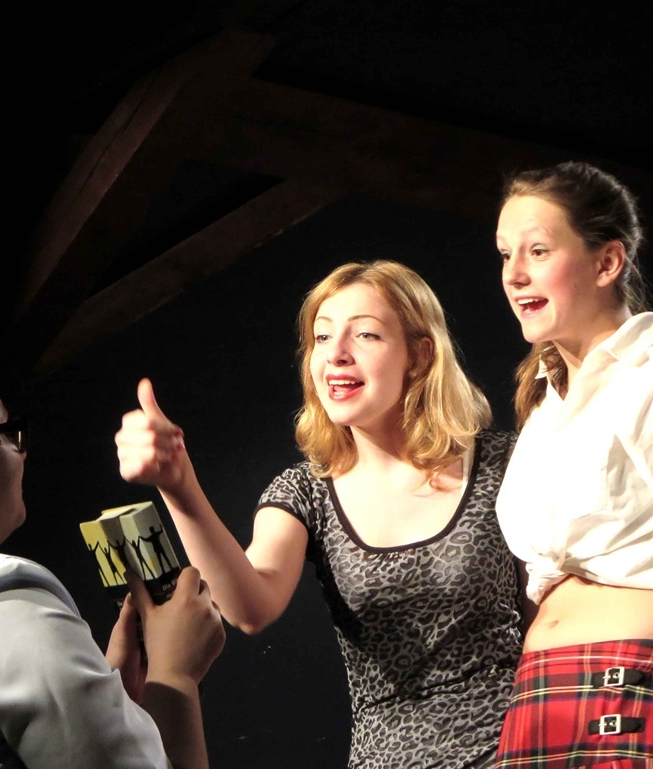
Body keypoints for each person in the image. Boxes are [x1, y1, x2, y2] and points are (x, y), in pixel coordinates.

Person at [116, 259, 524, 768]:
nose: (336, 354)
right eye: (322, 337)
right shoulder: (305, 492)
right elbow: (249, 606)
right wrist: (179, 486)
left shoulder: (505, 463)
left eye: (366, 335)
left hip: (517, 750)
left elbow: (551, 616)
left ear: (419, 356)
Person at [493, 160, 653, 766]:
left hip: (634, 684)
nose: (514, 273)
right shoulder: (546, 406)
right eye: (505, 254)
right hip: (542, 695)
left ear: (607, 262)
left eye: (538, 250)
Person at [0, 375, 226, 769]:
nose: (22, 452)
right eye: (4, 431)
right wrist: (176, 679)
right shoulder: (13, 608)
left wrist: (107, 701)